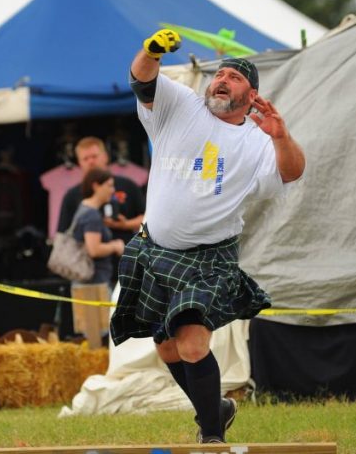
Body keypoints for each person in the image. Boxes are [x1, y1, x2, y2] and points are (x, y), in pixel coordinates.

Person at [110, 29, 305, 444]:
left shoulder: (256, 140)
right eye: (221, 73)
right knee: (166, 348)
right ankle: (216, 409)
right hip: (155, 250)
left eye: (234, 77)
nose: (222, 78)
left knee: (193, 345)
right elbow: (141, 81)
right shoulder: (180, 105)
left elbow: (291, 173)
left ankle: (211, 438)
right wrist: (152, 49)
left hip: (208, 258)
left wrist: (281, 136)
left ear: (251, 96)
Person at [56, 137, 145, 283]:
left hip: (128, 265)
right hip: (89, 273)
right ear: (79, 163)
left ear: (106, 157)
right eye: (85, 158)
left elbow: (147, 222)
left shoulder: (127, 185)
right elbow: (64, 236)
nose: (91, 161)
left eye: (94, 156)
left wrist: (126, 225)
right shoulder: (72, 197)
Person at [70, 168, 125, 348]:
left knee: (95, 338)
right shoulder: (91, 214)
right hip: (93, 284)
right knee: (98, 341)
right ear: (96, 186)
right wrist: (116, 246)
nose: (112, 190)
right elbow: (93, 250)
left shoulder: (83, 209)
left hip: (87, 282)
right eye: (109, 185)